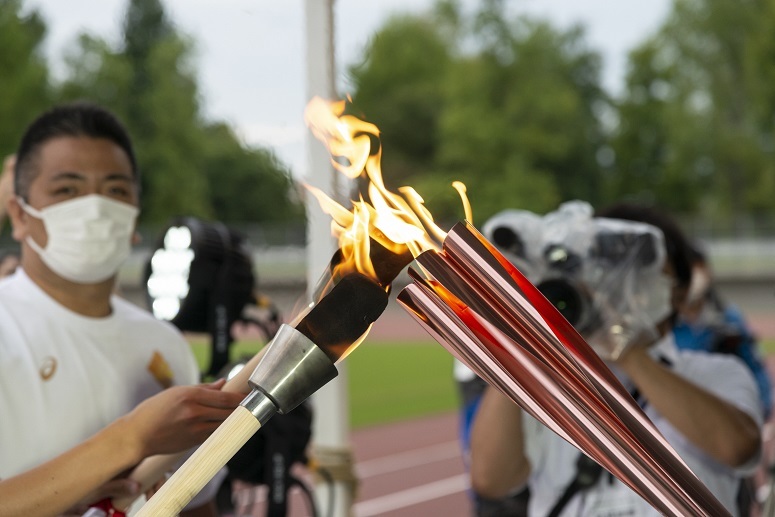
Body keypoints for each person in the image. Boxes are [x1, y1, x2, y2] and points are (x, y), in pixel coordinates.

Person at [0, 102, 245, 517]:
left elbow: (193, 501)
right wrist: (132, 438)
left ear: (133, 218)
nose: (95, 209)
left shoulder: (162, 343)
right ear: (20, 215)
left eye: (115, 190)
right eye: (67, 190)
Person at [463, 201, 763, 516]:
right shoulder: (551, 384)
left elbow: (738, 447)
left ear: (677, 289)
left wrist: (624, 347)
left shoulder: (715, 372)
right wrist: (525, 345)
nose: (619, 284)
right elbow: (490, 479)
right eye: (606, 266)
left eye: (638, 267)